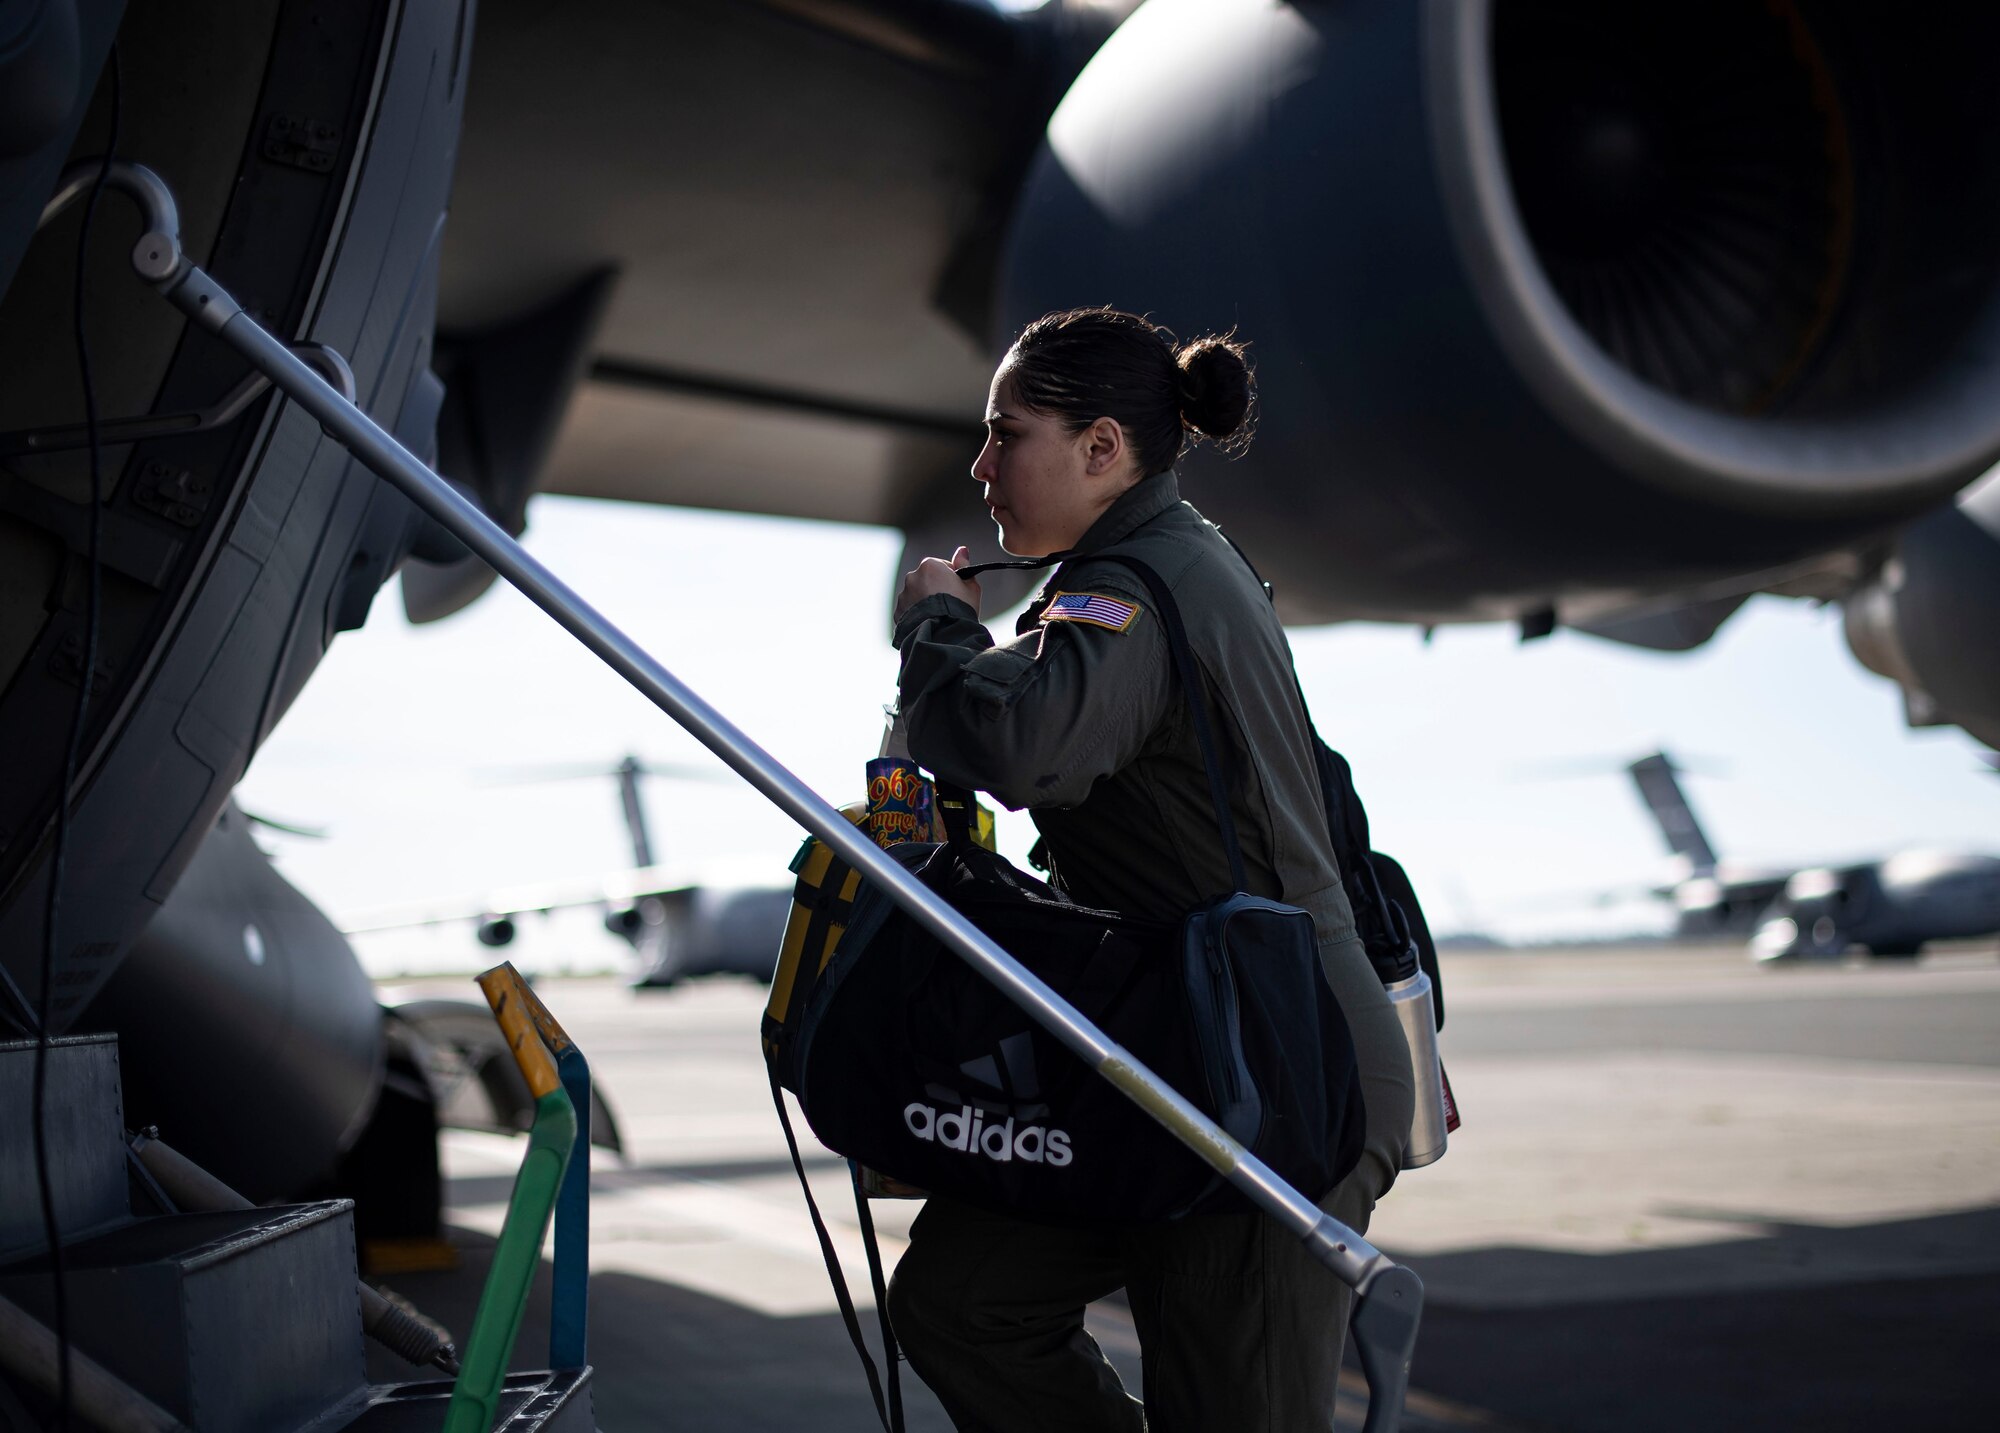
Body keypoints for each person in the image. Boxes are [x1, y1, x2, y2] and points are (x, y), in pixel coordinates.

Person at [885, 306, 1416, 1432]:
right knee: (960, 1300)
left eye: (1004, 433)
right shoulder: (1152, 566)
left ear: (1101, 449)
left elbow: (1026, 745)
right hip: (1173, 1050)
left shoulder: (1134, 585)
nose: (979, 466)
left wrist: (937, 630)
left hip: (1275, 1073)